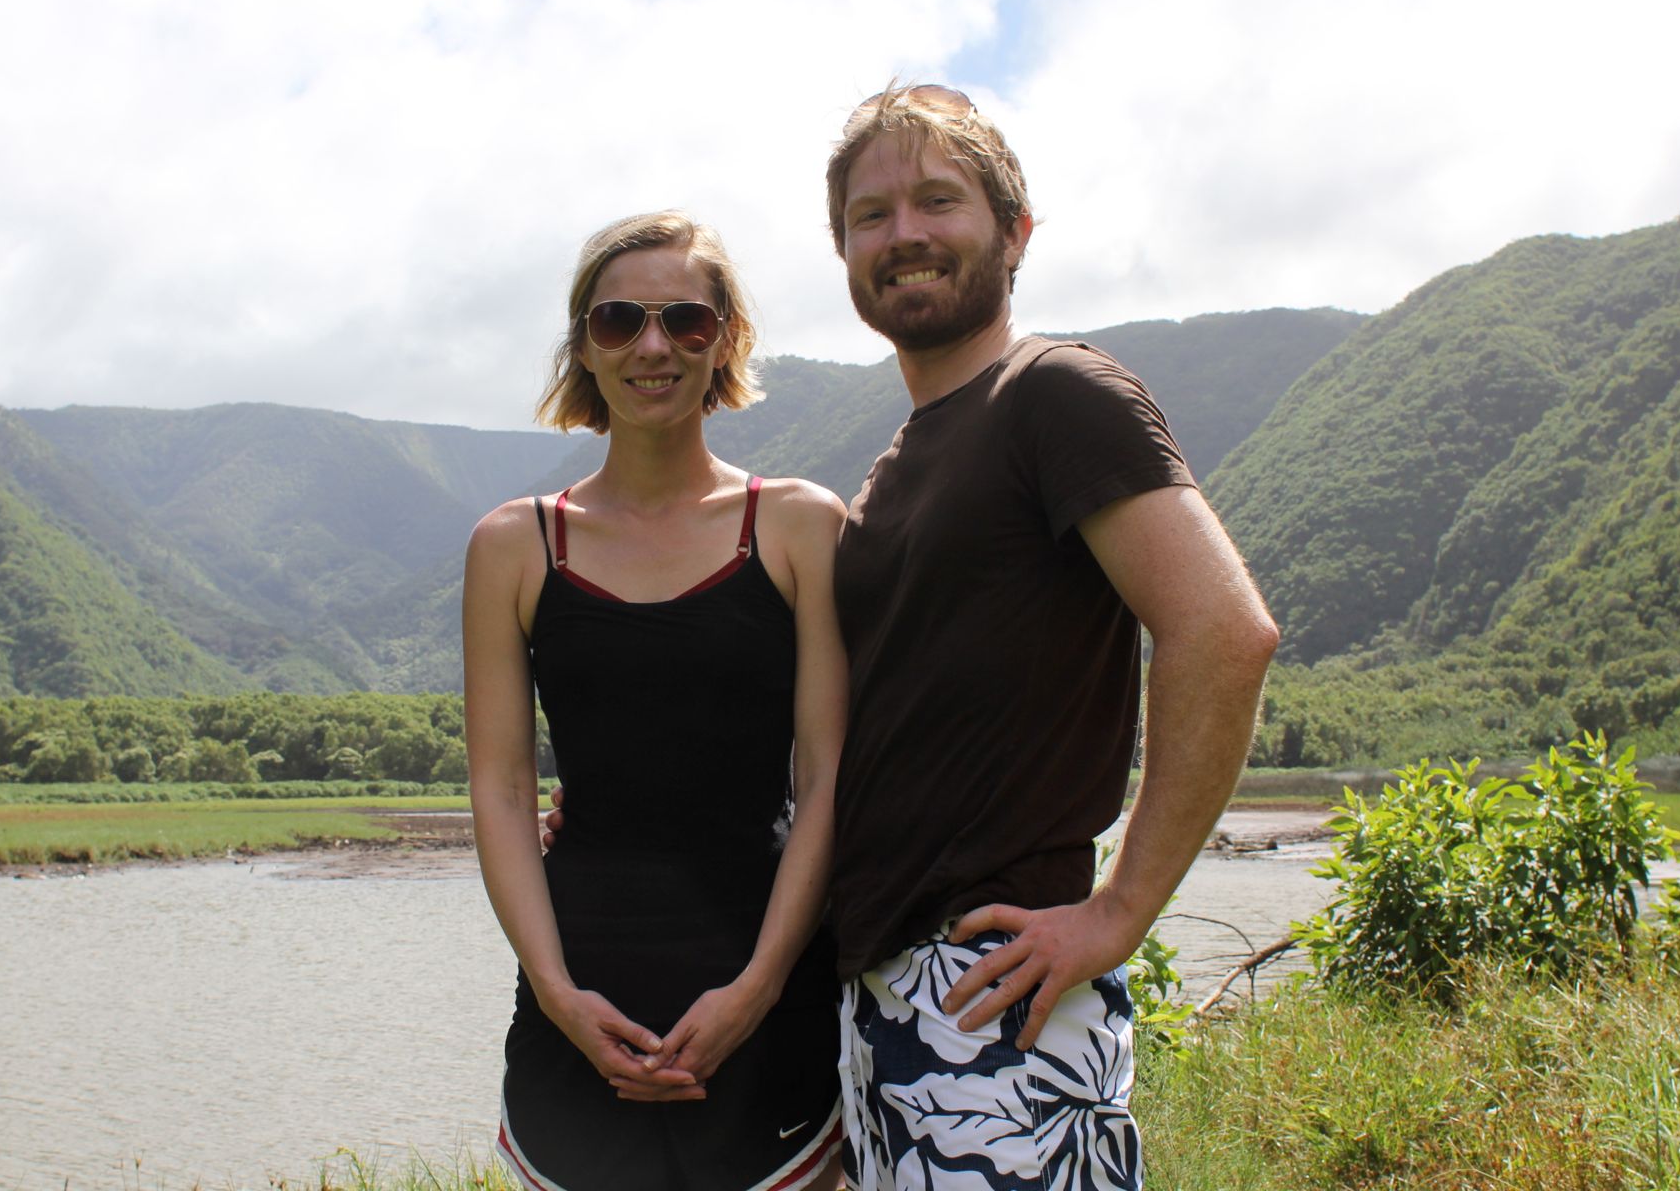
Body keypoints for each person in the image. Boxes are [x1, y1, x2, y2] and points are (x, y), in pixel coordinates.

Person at [823, 83, 1280, 1189]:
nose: (907, 234)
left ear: (1015, 232)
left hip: (994, 991)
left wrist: (1119, 909)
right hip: (883, 995)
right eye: (873, 214)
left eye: (940, 200)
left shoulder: (1056, 394)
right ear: (843, 252)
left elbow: (1224, 630)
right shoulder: (898, 464)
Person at [463, 211, 848, 1191]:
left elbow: (827, 777)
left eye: (685, 319)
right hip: (577, 996)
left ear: (727, 340)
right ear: (582, 346)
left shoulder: (800, 526)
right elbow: (504, 787)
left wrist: (756, 991)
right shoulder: (513, 544)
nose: (652, 345)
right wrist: (555, 992)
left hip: (769, 996)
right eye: (618, 319)